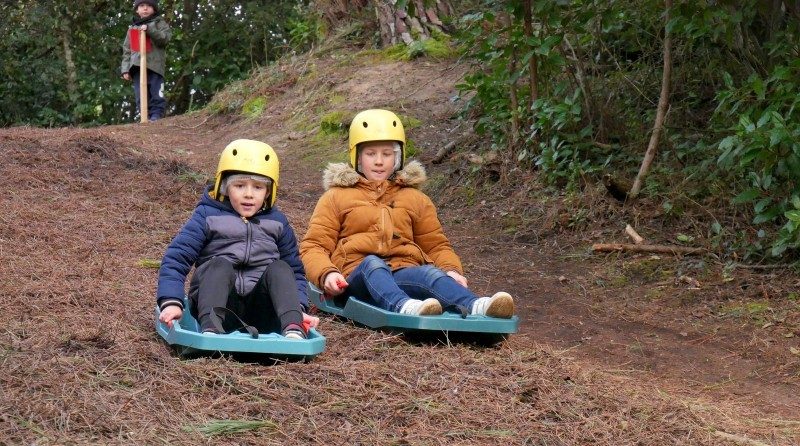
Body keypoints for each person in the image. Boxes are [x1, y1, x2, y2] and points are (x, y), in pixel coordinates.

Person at [300, 109, 515, 318]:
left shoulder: (414, 198)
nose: (379, 161)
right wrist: (327, 273)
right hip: (356, 276)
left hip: (403, 271)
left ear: (398, 157)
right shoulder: (336, 197)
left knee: (429, 273)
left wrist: (451, 270)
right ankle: (405, 307)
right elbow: (314, 246)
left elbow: (436, 245)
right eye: (370, 154)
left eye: (387, 154)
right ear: (357, 156)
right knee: (372, 264)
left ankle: (477, 305)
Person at [157, 139, 311, 339]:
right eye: (239, 185)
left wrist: (298, 307)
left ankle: (293, 327)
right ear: (225, 187)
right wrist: (171, 301)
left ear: (268, 192)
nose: (248, 194)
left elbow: (296, 272)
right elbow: (177, 258)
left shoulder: (277, 223)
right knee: (219, 265)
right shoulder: (208, 216)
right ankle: (211, 331)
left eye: (258, 187)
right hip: (214, 305)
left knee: (281, 268)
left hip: (262, 311)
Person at [120, 0, 171, 122]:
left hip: (154, 65)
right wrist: (125, 69)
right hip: (137, 67)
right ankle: (144, 116)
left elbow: (164, 39)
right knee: (140, 94)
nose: (145, 8)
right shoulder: (133, 28)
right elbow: (127, 50)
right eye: (142, 6)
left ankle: (156, 115)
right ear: (137, 10)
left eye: (149, 6)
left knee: (156, 91)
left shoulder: (159, 23)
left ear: (154, 9)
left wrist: (149, 30)